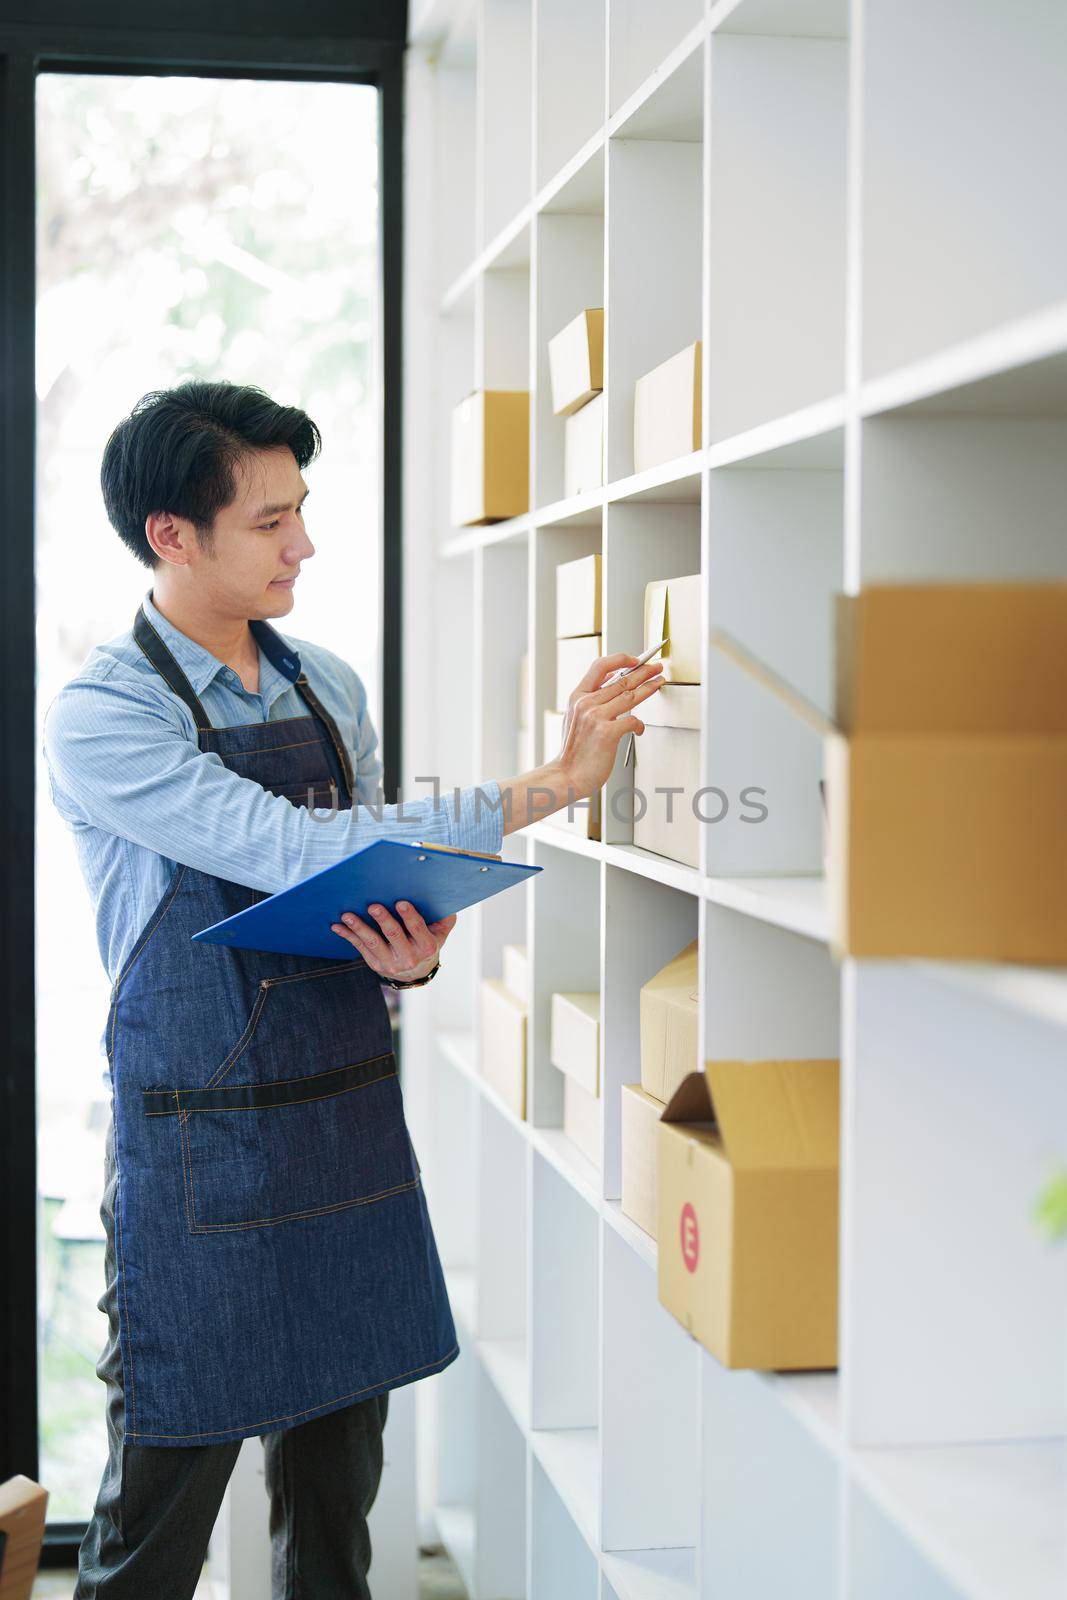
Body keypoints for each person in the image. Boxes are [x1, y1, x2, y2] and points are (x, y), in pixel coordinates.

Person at [41, 380, 663, 1599]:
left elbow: (370, 894)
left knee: (337, 1513)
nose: (305, 544)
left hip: (341, 1126)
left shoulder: (326, 684)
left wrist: (411, 951)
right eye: (270, 521)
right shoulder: (104, 715)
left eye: (302, 510)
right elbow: (282, 848)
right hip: (198, 1156)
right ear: (173, 534)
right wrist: (550, 784)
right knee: (159, 1510)